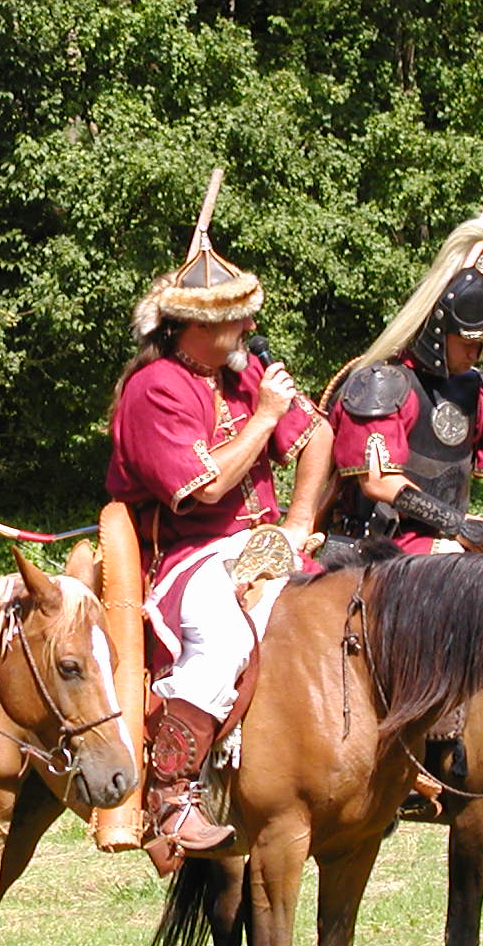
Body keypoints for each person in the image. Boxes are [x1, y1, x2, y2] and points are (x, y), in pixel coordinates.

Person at [106, 226, 330, 860]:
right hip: (188, 556)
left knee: (348, 611)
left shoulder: (244, 369)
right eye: (238, 319)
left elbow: (316, 437)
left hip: (267, 545)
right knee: (222, 636)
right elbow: (205, 489)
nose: (251, 329)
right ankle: (171, 799)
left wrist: (299, 521)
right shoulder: (154, 389)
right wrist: (265, 416)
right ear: (197, 326)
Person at [324, 213, 483, 557]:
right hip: (378, 547)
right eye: (466, 343)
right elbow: (378, 481)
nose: (475, 354)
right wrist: (458, 523)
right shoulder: (383, 384)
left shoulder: (477, 390)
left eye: (481, 344)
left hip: (448, 543)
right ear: (438, 331)